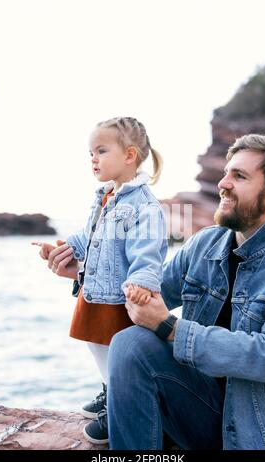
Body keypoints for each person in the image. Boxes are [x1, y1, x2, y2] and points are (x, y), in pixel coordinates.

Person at [106, 133, 265, 450]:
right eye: (226, 173)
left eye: (239, 176)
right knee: (132, 343)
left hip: (259, 431)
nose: (223, 184)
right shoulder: (207, 243)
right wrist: (88, 272)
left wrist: (171, 328)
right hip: (203, 414)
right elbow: (149, 288)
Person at [33, 116, 168, 445]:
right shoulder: (105, 197)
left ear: (129, 155)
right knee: (96, 344)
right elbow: (88, 236)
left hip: (119, 295)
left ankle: (120, 404)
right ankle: (110, 390)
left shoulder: (143, 206)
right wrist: (65, 248)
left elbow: (148, 252)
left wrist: (140, 283)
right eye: (90, 152)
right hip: (95, 291)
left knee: (115, 350)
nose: (93, 158)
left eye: (101, 150)